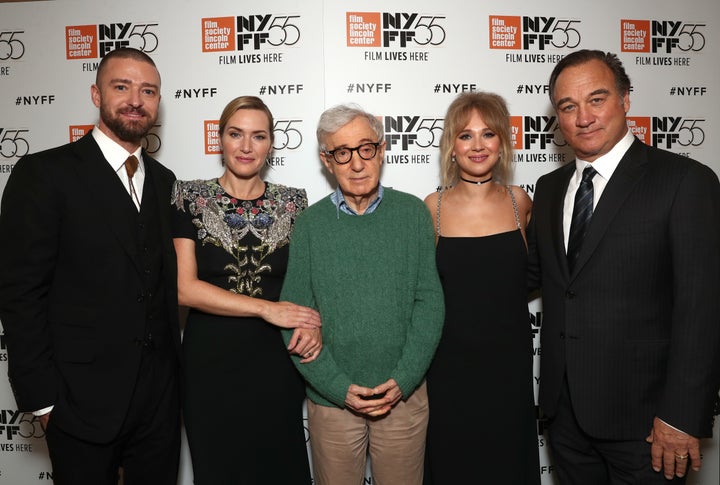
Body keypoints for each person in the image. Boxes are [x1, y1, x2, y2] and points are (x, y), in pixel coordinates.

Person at [527, 49, 720, 484]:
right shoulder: (550, 187)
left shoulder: (684, 182)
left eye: (597, 99)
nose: (583, 117)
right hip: (566, 418)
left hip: (650, 428)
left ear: (626, 99)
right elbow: (538, 276)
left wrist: (682, 417)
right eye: (568, 107)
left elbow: (703, 309)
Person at [0, 47, 181, 485]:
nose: (136, 100)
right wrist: (43, 403)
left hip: (156, 408)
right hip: (78, 404)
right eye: (122, 87)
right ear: (96, 93)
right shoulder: (43, 173)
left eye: (148, 91)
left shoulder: (165, 182)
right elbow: (20, 292)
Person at [279, 104, 444, 485]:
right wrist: (337, 388)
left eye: (365, 148)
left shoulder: (413, 214)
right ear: (327, 160)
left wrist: (404, 380)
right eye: (343, 152)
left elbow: (429, 304)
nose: (356, 164)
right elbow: (293, 318)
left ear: (382, 150)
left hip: (402, 398)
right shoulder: (309, 225)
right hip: (333, 402)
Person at [171, 95, 319, 484]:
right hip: (209, 364)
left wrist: (311, 323)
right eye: (236, 134)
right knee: (219, 470)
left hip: (276, 363)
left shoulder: (295, 203)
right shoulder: (187, 197)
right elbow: (184, 289)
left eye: (258, 136)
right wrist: (265, 308)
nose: (246, 146)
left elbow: (307, 284)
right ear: (220, 139)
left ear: (271, 144)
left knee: (280, 469)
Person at [423, 92, 539, 484]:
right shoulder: (431, 207)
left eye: (488, 134)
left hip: (509, 368)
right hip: (449, 369)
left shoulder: (518, 202)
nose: (477, 145)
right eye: (465, 135)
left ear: (502, 143)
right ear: (451, 147)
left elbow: (540, 276)